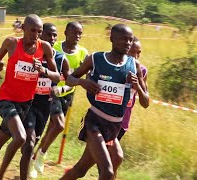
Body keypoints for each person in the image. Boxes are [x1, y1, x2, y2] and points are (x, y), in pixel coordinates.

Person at [0, 14, 60, 180]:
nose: (36, 35)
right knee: (20, 138)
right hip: (6, 100)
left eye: (39, 31)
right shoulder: (11, 43)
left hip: (25, 104)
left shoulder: (44, 47)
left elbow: (57, 76)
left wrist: (43, 70)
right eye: (32, 30)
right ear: (23, 28)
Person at [60, 24, 148, 180]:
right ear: (112, 39)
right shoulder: (96, 58)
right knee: (107, 172)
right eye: (124, 39)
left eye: (130, 40)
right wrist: (82, 83)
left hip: (114, 127)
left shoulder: (134, 66)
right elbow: (70, 78)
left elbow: (146, 102)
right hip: (94, 122)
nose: (128, 43)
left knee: (80, 170)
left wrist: (138, 88)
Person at [34, 21, 88, 174]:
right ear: (65, 32)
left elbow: (77, 77)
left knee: (51, 129)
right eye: (74, 32)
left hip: (67, 94)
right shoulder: (54, 47)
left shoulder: (83, 53)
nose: (77, 36)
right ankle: (41, 154)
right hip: (50, 92)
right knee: (59, 125)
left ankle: (35, 157)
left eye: (80, 33)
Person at [20, 23, 70, 179]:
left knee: (34, 140)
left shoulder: (61, 58)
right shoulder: (30, 53)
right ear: (40, 35)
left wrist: (61, 89)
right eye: (49, 35)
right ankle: (26, 167)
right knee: (28, 141)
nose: (53, 38)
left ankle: (34, 159)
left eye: (55, 35)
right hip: (28, 101)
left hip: (47, 102)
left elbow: (71, 82)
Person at [117, 36, 149, 140]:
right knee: (113, 155)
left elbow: (145, 103)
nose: (135, 56)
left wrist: (138, 87)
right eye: (132, 52)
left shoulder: (142, 71)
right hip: (104, 119)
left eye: (138, 52)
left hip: (122, 123)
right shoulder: (114, 65)